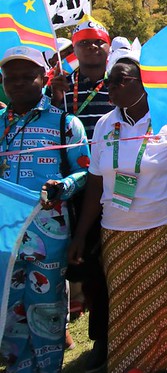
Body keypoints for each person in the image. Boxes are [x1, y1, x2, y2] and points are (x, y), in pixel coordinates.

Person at [68, 47, 167, 373]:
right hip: (118, 233)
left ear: (143, 83)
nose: (111, 87)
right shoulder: (104, 125)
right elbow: (95, 184)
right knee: (127, 306)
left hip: (166, 229)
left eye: (119, 81)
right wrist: (80, 235)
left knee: (165, 306)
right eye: (109, 82)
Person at [0, 46, 89, 373]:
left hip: (48, 233)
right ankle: (17, 367)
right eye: (11, 78)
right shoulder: (0, 124)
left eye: (27, 77)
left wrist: (63, 187)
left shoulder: (65, 123)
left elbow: (85, 171)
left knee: (47, 305)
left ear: (44, 78)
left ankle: (48, 367)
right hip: (5, 233)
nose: (18, 83)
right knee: (10, 305)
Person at [48, 19, 115, 372]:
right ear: (73, 49)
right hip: (75, 188)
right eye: (84, 42)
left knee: (114, 264)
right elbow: (52, 128)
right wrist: (55, 98)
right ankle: (98, 339)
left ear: (108, 46)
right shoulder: (60, 84)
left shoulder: (121, 80)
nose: (91, 47)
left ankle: (117, 335)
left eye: (98, 41)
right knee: (87, 268)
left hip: (117, 185)